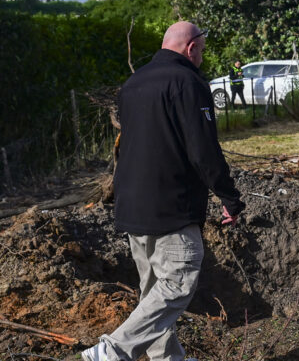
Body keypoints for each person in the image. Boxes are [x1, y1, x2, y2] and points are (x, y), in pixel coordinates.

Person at [81, 21, 245, 361]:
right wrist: (229, 197)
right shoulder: (188, 82)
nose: (202, 56)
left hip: (133, 206)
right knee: (179, 281)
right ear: (191, 48)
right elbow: (203, 150)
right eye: (201, 49)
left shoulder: (132, 84)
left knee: (153, 294)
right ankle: (111, 352)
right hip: (172, 206)